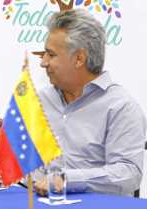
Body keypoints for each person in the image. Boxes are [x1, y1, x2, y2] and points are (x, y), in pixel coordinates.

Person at [33, 9, 146, 196]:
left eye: (51, 55)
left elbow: (128, 174)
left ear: (79, 59)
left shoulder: (121, 107)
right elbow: (11, 156)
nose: (43, 62)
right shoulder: (41, 100)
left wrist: (66, 180)